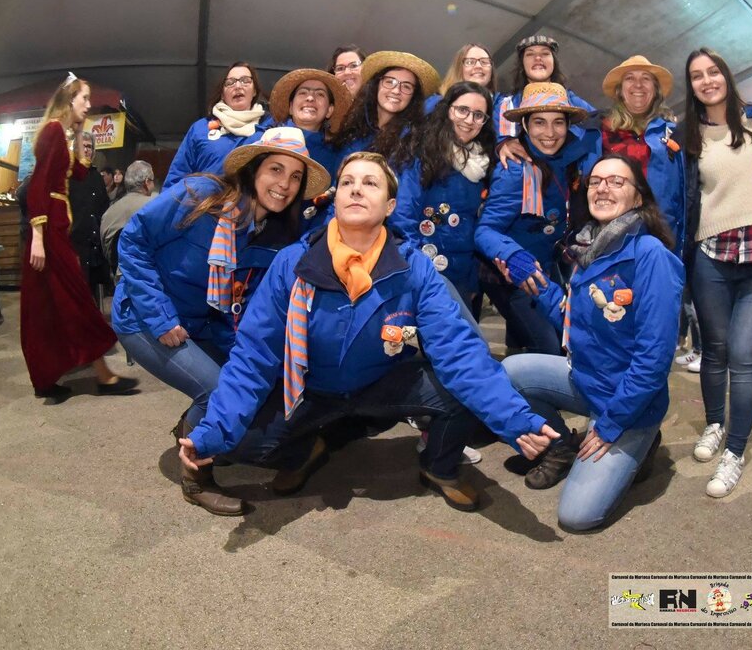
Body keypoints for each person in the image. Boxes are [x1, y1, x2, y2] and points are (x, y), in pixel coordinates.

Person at [176, 152, 558, 514]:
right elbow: (254, 357)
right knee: (240, 443)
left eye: (370, 183)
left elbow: (458, 351)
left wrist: (514, 419)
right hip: (309, 388)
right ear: (336, 198)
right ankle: (308, 450)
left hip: (382, 382)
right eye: (347, 182)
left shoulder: (413, 268)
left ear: (390, 206)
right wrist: (213, 434)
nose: (356, 189)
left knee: (457, 394)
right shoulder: (293, 264)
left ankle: (439, 467)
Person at [115, 127, 328, 515]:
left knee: (241, 381)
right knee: (214, 390)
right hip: (144, 316)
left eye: (296, 176)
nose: (285, 184)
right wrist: (159, 317)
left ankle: (194, 430)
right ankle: (196, 482)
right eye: (276, 169)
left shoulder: (275, 236)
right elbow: (132, 241)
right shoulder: (199, 195)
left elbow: (243, 306)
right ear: (253, 169)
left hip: (204, 324)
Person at [502, 154, 682, 531]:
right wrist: (534, 282)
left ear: (638, 197)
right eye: (596, 181)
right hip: (587, 380)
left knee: (576, 516)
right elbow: (575, 319)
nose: (603, 188)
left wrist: (610, 426)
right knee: (509, 372)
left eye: (616, 181)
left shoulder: (651, 257)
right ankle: (561, 446)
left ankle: (643, 442)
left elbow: (653, 360)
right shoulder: (589, 246)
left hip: (628, 405)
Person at [678, 48, 752, 497]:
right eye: (697, 76)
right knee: (715, 351)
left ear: (727, 75)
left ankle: (735, 452)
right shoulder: (687, 136)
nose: (707, 80)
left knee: (744, 354)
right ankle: (715, 424)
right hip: (711, 256)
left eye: (713, 71)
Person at [20, 75, 137, 399]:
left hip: (57, 230)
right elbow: (39, 185)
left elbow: (79, 173)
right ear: (68, 100)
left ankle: (46, 380)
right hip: (50, 232)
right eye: (84, 98)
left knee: (51, 305)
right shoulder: (53, 131)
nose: (88, 104)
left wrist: (80, 139)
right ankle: (103, 376)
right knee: (76, 300)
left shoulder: (62, 134)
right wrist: (39, 236)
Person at [475, 82, 590, 354]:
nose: (550, 133)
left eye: (558, 122)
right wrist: (514, 257)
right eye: (539, 122)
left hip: (549, 269)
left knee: (554, 341)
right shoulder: (515, 170)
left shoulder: (571, 162)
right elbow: (485, 230)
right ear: (525, 125)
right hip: (515, 276)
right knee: (549, 348)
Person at [578, 55, 686, 255]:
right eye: (630, 78)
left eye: (646, 79)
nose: (638, 84)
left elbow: (685, 190)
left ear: (655, 90)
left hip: (661, 239)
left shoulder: (673, 133)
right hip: (608, 240)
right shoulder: (596, 131)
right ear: (619, 90)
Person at [330, 50, 439, 237]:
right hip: (338, 233)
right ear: (377, 85)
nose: (396, 90)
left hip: (384, 240)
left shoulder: (413, 142)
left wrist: (399, 247)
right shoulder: (353, 132)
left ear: (413, 97)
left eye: (406, 86)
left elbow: (405, 207)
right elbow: (337, 192)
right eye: (390, 82)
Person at [409, 81, 495, 316]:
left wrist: (473, 282)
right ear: (448, 109)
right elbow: (404, 217)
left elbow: (475, 225)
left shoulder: (483, 162)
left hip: (462, 276)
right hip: (422, 271)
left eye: (478, 115)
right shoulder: (421, 151)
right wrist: (415, 271)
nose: (469, 120)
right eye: (462, 110)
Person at [267, 67, 353, 231]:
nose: (310, 98)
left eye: (320, 94)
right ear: (290, 107)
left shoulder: (338, 156)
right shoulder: (263, 142)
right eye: (303, 93)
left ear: (329, 110)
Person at [162, 62, 268, 189]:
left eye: (245, 80)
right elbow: (175, 179)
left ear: (255, 90)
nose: (238, 86)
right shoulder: (200, 129)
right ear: (222, 94)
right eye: (230, 83)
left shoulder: (270, 128)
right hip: (204, 202)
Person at [494, 35, 594, 141]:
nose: (538, 58)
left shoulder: (572, 101)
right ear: (522, 64)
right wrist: (503, 143)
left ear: (554, 62)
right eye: (530, 54)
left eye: (545, 53)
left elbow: (598, 123)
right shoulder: (506, 105)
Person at [67, 133, 111, 295]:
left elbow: (104, 207)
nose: (86, 150)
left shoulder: (97, 177)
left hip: (94, 247)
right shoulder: (67, 175)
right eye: (83, 146)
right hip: (74, 245)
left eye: (89, 147)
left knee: (93, 294)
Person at [100, 160, 155, 273]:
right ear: (147, 182)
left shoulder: (108, 213)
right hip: (151, 277)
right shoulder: (156, 206)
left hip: (117, 277)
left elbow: (106, 252)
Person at [425, 43, 496, 113]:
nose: (478, 66)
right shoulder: (435, 104)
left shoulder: (501, 106)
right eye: (470, 62)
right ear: (458, 69)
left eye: (484, 62)